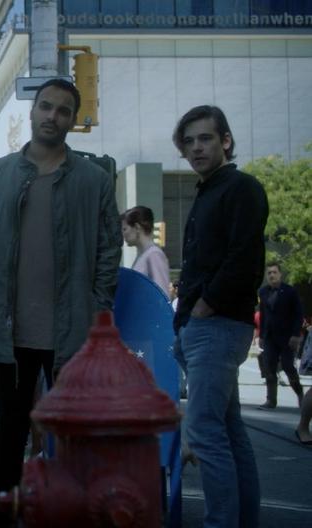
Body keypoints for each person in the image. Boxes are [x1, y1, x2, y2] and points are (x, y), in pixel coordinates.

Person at [0, 78, 122, 527]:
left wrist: (97, 306)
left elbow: (109, 250)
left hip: (72, 332)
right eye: (46, 107)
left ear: (74, 119)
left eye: (63, 110)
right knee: (9, 439)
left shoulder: (93, 181)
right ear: (31, 113)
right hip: (8, 334)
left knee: (77, 438)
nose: (53, 116)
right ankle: (6, 521)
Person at [172, 105, 268, 527]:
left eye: (205, 138)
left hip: (218, 325)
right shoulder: (209, 189)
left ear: (225, 141)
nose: (196, 147)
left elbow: (243, 258)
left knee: (207, 437)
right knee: (230, 435)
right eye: (189, 141)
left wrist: (203, 307)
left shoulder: (241, 188)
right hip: (205, 327)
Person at [257, 262, 304, 409]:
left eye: (274, 272)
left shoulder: (290, 292)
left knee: (288, 367)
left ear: (280, 274)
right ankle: (271, 400)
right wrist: (261, 336)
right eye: (269, 273)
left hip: (287, 337)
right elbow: (263, 315)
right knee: (269, 368)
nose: (271, 275)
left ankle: (300, 394)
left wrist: (296, 335)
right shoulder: (263, 292)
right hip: (270, 336)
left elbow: (298, 314)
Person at [121, 205, 171, 298]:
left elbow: (161, 295)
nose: (123, 234)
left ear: (137, 227)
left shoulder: (154, 255)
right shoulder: (143, 255)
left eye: (125, 229)